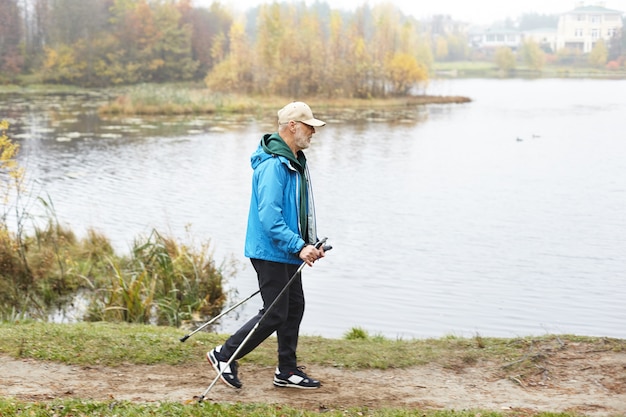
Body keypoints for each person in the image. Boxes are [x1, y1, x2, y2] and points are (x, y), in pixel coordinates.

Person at [207, 101, 327, 390]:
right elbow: (270, 218)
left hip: (286, 250)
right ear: (292, 126)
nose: (313, 132)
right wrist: (298, 246)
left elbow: (293, 212)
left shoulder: (293, 162)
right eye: (309, 126)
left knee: (294, 306)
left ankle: (286, 371)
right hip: (271, 251)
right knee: (274, 313)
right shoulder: (274, 165)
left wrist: (309, 244)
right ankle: (224, 356)